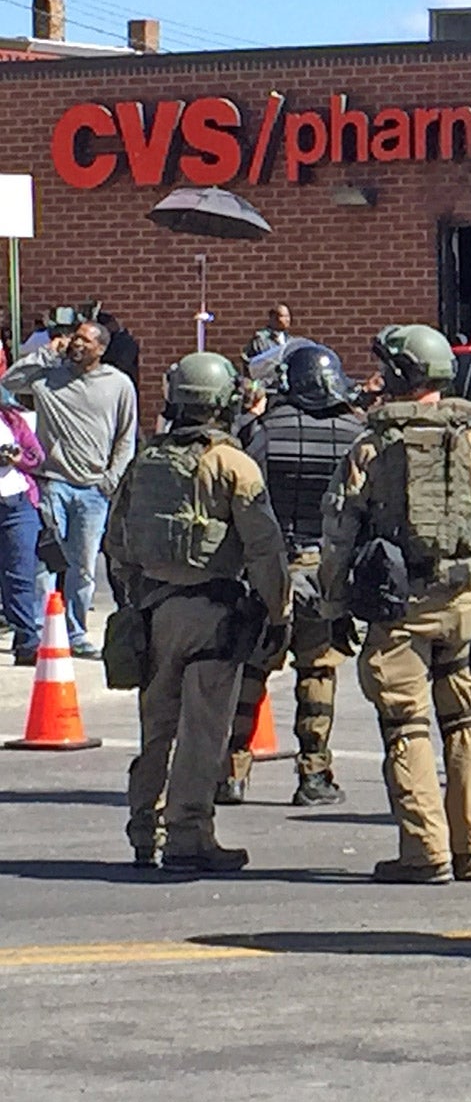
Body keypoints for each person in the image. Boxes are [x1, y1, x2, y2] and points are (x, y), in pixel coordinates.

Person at [319, 325, 471, 885]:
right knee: (464, 718)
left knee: (406, 726)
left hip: (398, 610)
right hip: (463, 602)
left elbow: (339, 534)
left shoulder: (373, 445)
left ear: (399, 376)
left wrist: (334, 604)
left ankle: (425, 851)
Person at [107, 354, 290, 872]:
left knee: (157, 725)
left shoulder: (147, 461)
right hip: (216, 613)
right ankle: (189, 834)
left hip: (155, 610)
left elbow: (117, 541)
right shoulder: (233, 465)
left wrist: (134, 599)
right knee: (203, 729)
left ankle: (145, 827)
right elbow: (265, 548)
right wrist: (278, 614)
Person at [225, 342, 364, 807]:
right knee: (318, 673)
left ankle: (232, 771)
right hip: (324, 569)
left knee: (252, 669)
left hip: (269, 564)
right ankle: (314, 775)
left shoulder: (262, 430)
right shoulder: (355, 434)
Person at [2, 318, 139, 656]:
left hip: (94, 490)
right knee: (45, 562)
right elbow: (9, 381)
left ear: (102, 349)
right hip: (52, 484)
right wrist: (47, 355)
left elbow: (126, 439)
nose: (77, 344)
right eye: (74, 338)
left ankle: (76, 632)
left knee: (83, 567)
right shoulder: (50, 378)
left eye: (85, 341)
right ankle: (38, 632)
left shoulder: (118, 384)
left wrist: (110, 480)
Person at [0, 397, 43, 663]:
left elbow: (36, 455)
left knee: (20, 574)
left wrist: (17, 458)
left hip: (17, 504)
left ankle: (27, 641)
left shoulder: (11, 418)